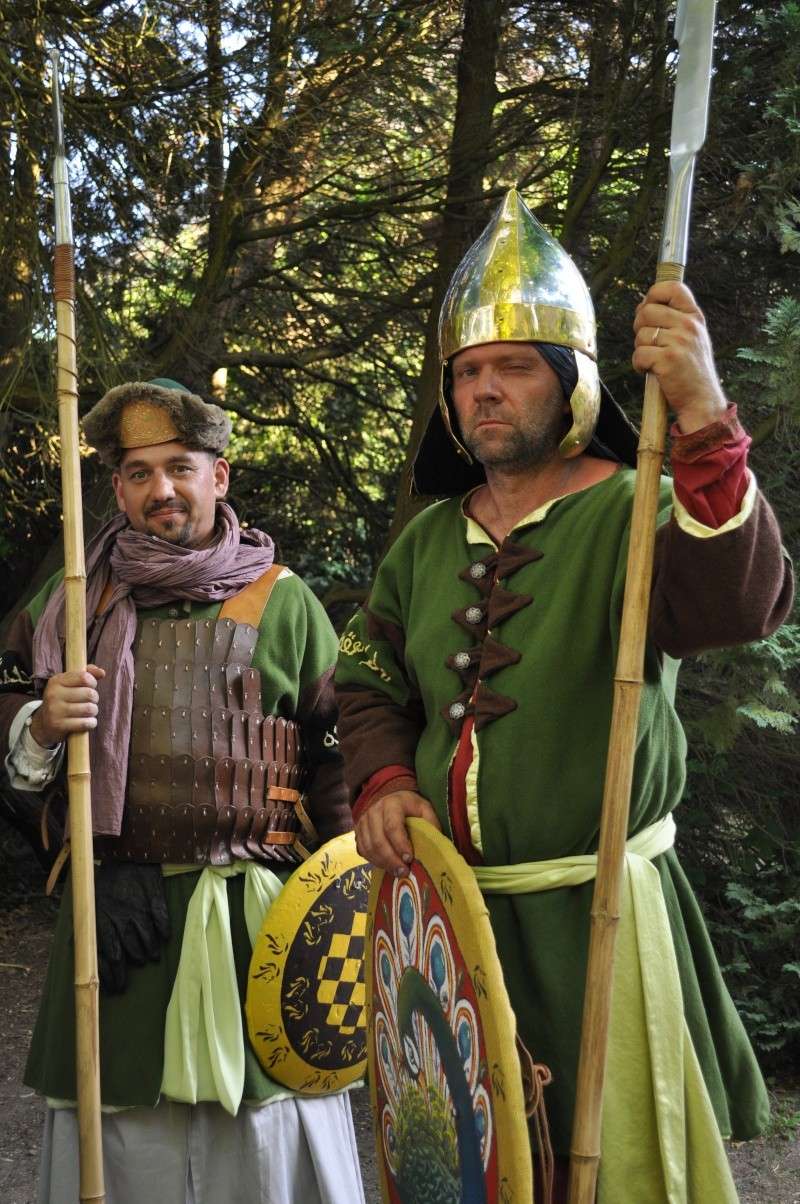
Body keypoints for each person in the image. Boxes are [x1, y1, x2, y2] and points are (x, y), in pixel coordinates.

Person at [334, 190, 794, 1201]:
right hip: (450, 925)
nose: (484, 391)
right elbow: (366, 680)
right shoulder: (424, 541)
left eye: (511, 368)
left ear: (571, 383)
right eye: (466, 373)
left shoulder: (634, 505)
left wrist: (704, 419)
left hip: (599, 922)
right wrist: (377, 780)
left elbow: (740, 601)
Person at [0, 378, 365, 1204]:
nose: (160, 489)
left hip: (258, 926)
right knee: (126, 1141)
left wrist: (347, 907)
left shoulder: (286, 600)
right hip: (110, 920)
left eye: (180, 467)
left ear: (219, 476)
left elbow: (339, 755)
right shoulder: (68, 600)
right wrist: (41, 722)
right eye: (137, 473)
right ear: (118, 486)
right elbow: (9, 709)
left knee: (266, 1141)